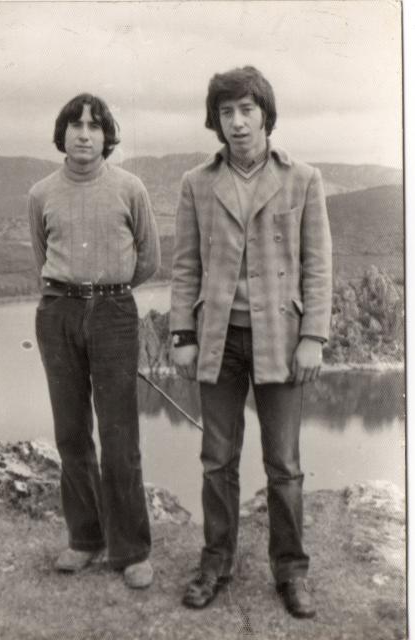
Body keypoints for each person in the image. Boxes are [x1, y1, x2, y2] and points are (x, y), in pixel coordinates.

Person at [170, 66, 332, 617]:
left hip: (282, 341)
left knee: (284, 464)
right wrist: (183, 334)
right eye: (226, 112)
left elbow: (318, 266)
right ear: (215, 121)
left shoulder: (303, 179)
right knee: (217, 459)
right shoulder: (197, 182)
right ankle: (215, 563)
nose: (237, 122)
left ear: (265, 114)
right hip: (218, 340)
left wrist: (313, 336)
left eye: (246, 110)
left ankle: (291, 572)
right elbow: (184, 266)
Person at [28, 93, 160, 589]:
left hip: (114, 314)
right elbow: (41, 255)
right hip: (57, 312)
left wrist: (109, 293)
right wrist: (70, 294)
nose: (84, 134)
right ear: (62, 133)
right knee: (70, 431)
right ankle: (85, 540)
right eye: (75, 125)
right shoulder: (40, 193)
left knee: (120, 434)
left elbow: (149, 259)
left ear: (107, 137)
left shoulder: (130, 188)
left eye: (95, 126)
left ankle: (131, 550)